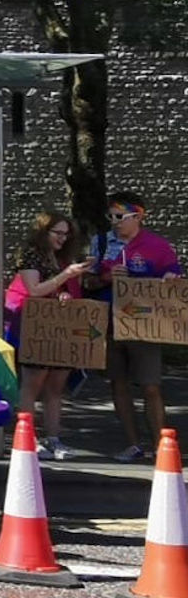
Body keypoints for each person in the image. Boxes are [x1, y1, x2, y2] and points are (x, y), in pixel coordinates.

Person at [89, 192, 181, 462]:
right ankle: (132, 444)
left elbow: (174, 277)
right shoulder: (102, 242)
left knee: (151, 385)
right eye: (111, 216)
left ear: (138, 216)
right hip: (111, 322)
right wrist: (106, 277)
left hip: (144, 325)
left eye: (120, 217)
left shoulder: (157, 245)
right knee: (118, 382)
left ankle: (161, 445)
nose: (115, 222)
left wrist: (170, 278)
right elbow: (88, 283)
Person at [4, 212, 89, 461]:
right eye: (58, 233)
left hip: (56, 325)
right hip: (32, 324)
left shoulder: (60, 257)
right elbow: (35, 289)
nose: (63, 238)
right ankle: (26, 438)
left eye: (66, 234)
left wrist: (64, 292)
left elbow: (54, 288)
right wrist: (66, 275)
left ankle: (53, 439)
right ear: (44, 231)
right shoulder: (30, 253)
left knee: (56, 385)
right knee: (33, 383)